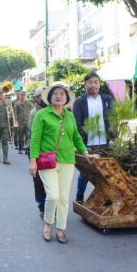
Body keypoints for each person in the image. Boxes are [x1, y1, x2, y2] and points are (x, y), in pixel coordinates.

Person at [29, 82, 97, 244]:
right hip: (47, 161)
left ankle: (60, 229)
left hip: (67, 161)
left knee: (64, 198)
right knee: (53, 196)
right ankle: (47, 225)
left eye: (62, 94)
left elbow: (76, 138)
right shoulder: (42, 115)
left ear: (66, 98)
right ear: (49, 97)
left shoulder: (70, 116)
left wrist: (86, 153)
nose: (58, 96)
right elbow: (35, 139)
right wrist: (33, 161)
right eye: (55, 94)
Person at [72, 72, 114, 203]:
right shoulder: (79, 102)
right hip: (88, 143)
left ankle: (107, 196)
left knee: (106, 172)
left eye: (96, 82)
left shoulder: (107, 100)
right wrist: (81, 144)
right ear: (85, 85)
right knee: (86, 172)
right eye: (90, 82)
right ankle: (80, 195)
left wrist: (112, 138)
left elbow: (113, 120)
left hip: (105, 143)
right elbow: (77, 124)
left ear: (99, 84)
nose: (93, 85)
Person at [28, 86, 48, 219]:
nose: (46, 97)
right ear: (37, 98)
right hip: (39, 151)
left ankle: (52, 205)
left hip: (53, 151)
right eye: (43, 95)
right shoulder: (34, 113)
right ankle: (42, 206)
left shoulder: (55, 110)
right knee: (39, 182)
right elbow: (33, 136)